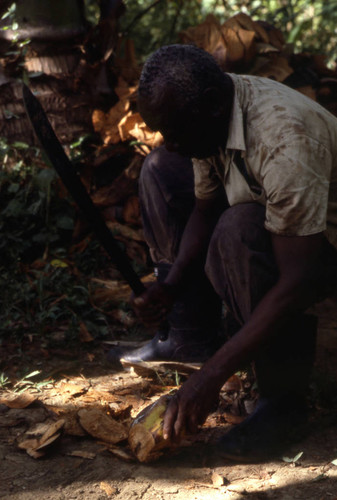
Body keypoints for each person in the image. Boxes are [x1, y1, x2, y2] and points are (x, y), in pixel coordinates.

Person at [117, 44, 337, 461]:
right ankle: (188, 336)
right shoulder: (209, 116)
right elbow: (205, 206)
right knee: (161, 168)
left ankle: (284, 402)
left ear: (214, 107)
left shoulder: (284, 139)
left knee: (238, 230)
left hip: (321, 246)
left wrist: (211, 378)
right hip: (285, 229)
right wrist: (171, 285)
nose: (173, 142)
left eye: (177, 131)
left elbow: (298, 281)